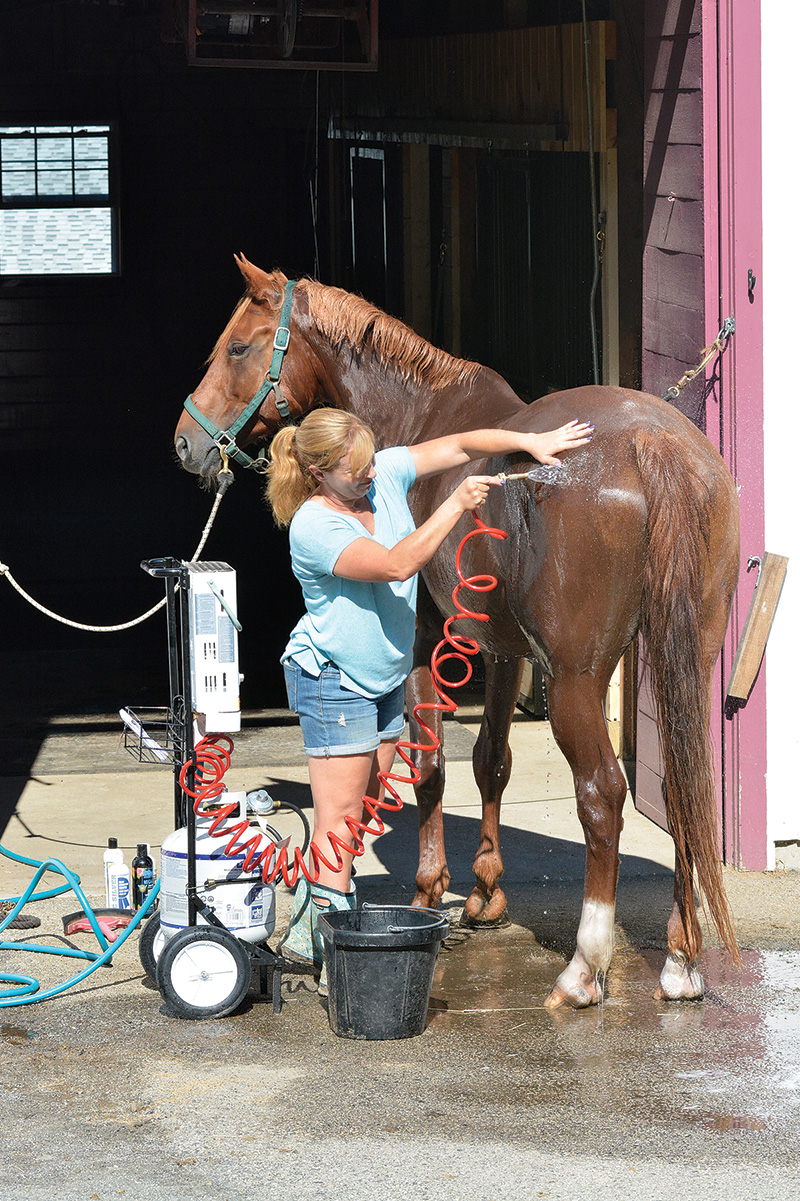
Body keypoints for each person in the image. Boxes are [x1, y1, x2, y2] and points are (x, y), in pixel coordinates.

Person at [265, 409, 593, 993]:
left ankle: (307, 918)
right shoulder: (313, 528)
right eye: (356, 469)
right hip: (334, 678)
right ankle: (330, 955)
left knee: (363, 811)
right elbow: (397, 563)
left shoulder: (383, 474)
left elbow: (463, 440)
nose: (371, 474)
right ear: (318, 471)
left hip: (385, 675)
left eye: (371, 461)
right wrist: (454, 505)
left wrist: (529, 440)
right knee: (339, 821)